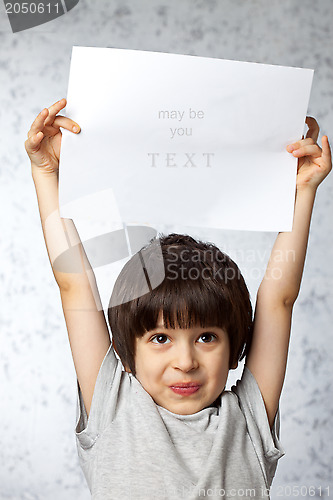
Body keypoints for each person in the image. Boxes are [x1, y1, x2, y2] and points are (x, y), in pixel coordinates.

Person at [25, 98, 331, 500]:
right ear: (125, 349)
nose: (186, 362)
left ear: (237, 346)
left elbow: (278, 299)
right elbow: (74, 285)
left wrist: (302, 189)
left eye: (206, 337)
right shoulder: (112, 406)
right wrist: (46, 173)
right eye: (160, 338)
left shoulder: (249, 422)